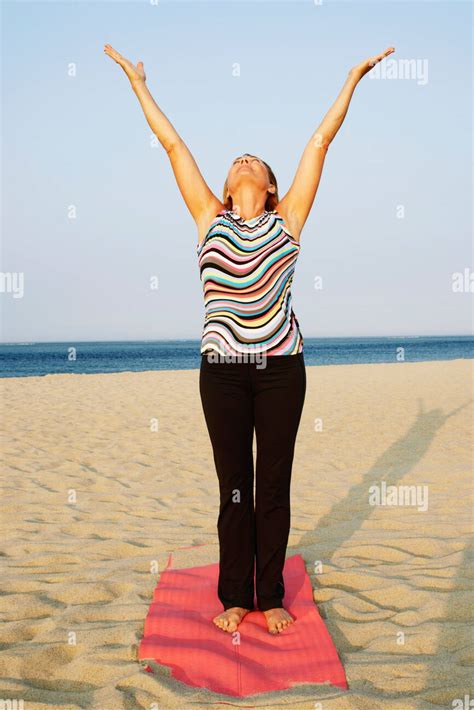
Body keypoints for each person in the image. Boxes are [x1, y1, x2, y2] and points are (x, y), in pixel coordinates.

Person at [104, 42, 395, 634]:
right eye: (236, 160)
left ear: (268, 186)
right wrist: (137, 83)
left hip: (282, 368)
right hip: (223, 372)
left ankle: (272, 596)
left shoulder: (287, 220)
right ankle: (236, 594)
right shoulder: (208, 218)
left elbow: (319, 143)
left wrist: (351, 80)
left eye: (253, 162)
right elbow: (172, 145)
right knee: (234, 485)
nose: (241, 163)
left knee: (274, 485)